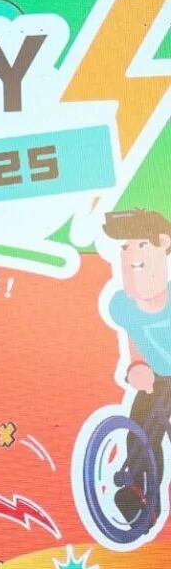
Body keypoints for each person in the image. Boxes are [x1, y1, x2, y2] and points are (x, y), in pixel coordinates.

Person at [102, 209, 171, 526]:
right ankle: (141, 494)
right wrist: (137, 365)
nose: (132, 256)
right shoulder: (123, 305)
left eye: (142, 245)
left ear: (163, 245)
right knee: (140, 426)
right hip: (158, 380)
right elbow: (135, 337)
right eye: (126, 248)